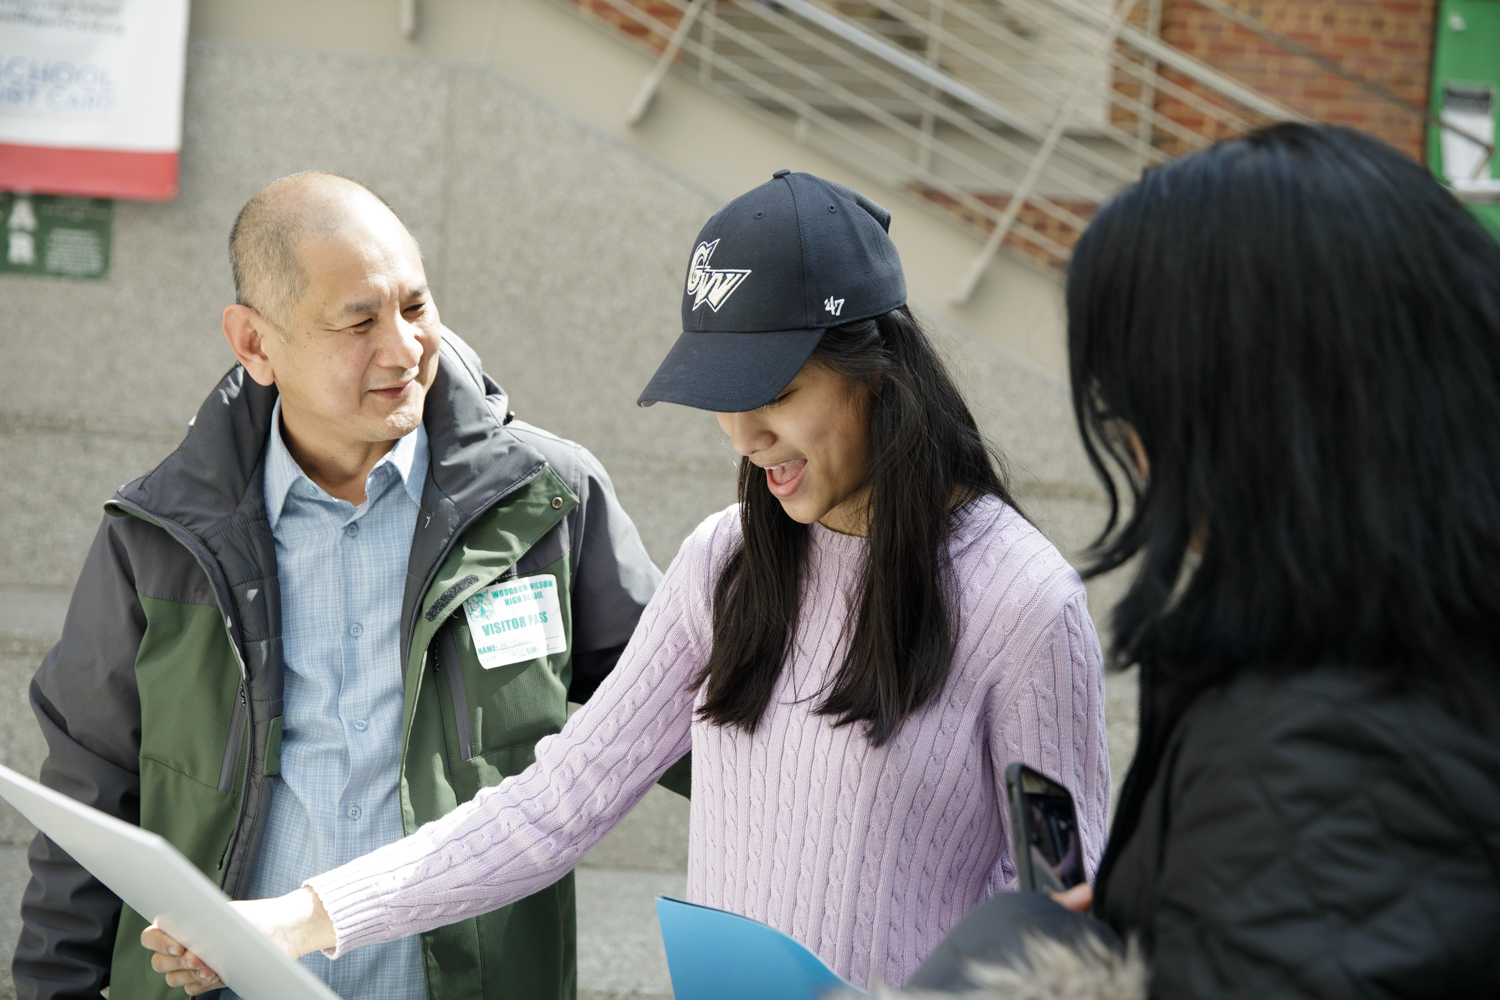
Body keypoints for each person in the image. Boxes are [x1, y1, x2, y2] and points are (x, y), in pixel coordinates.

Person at [143, 170, 1112, 993]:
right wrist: (302, 918)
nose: (744, 434)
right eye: (724, 398)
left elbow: (1064, 913)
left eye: (775, 392)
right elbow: (551, 803)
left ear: (878, 368)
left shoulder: (1021, 604)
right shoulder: (728, 565)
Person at [14, 172, 673, 1000]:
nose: (403, 349)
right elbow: (90, 796)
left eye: (416, 307)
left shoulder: (546, 504)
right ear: (255, 344)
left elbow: (687, 719)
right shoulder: (156, 539)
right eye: (359, 322)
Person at [1043, 123, 1500, 996]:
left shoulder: (1319, 759)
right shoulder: (1422, 662)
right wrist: (1171, 904)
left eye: (1130, 404)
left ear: (1238, 424)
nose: (1134, 447)